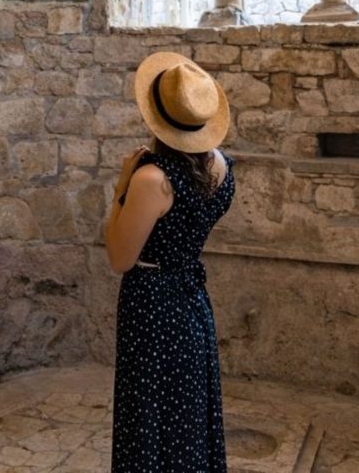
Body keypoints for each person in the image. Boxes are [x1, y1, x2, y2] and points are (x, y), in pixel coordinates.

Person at [106, 52, 236, 473]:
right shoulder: (220, 167)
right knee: (186, 415)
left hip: (152, 305)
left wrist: (121, 188)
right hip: (191, 301)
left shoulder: (152, 180)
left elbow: (120, 258)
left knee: (148, 416)